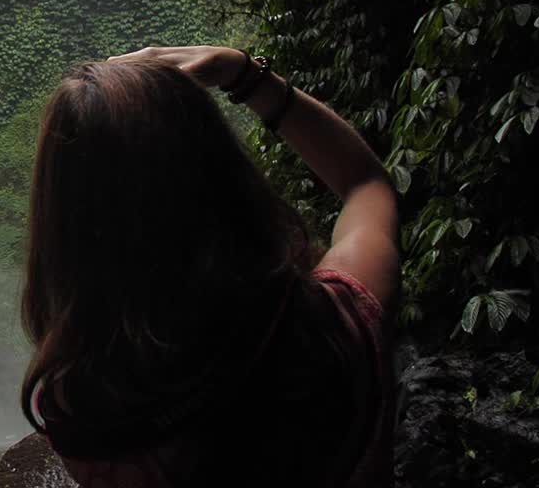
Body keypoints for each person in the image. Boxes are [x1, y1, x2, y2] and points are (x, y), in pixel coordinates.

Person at [20, 46, 399, 487]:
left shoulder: (81, 417)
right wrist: (248, 77)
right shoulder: (338, 323)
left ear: (64, 233)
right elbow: (367, 184)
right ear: (225, 182)